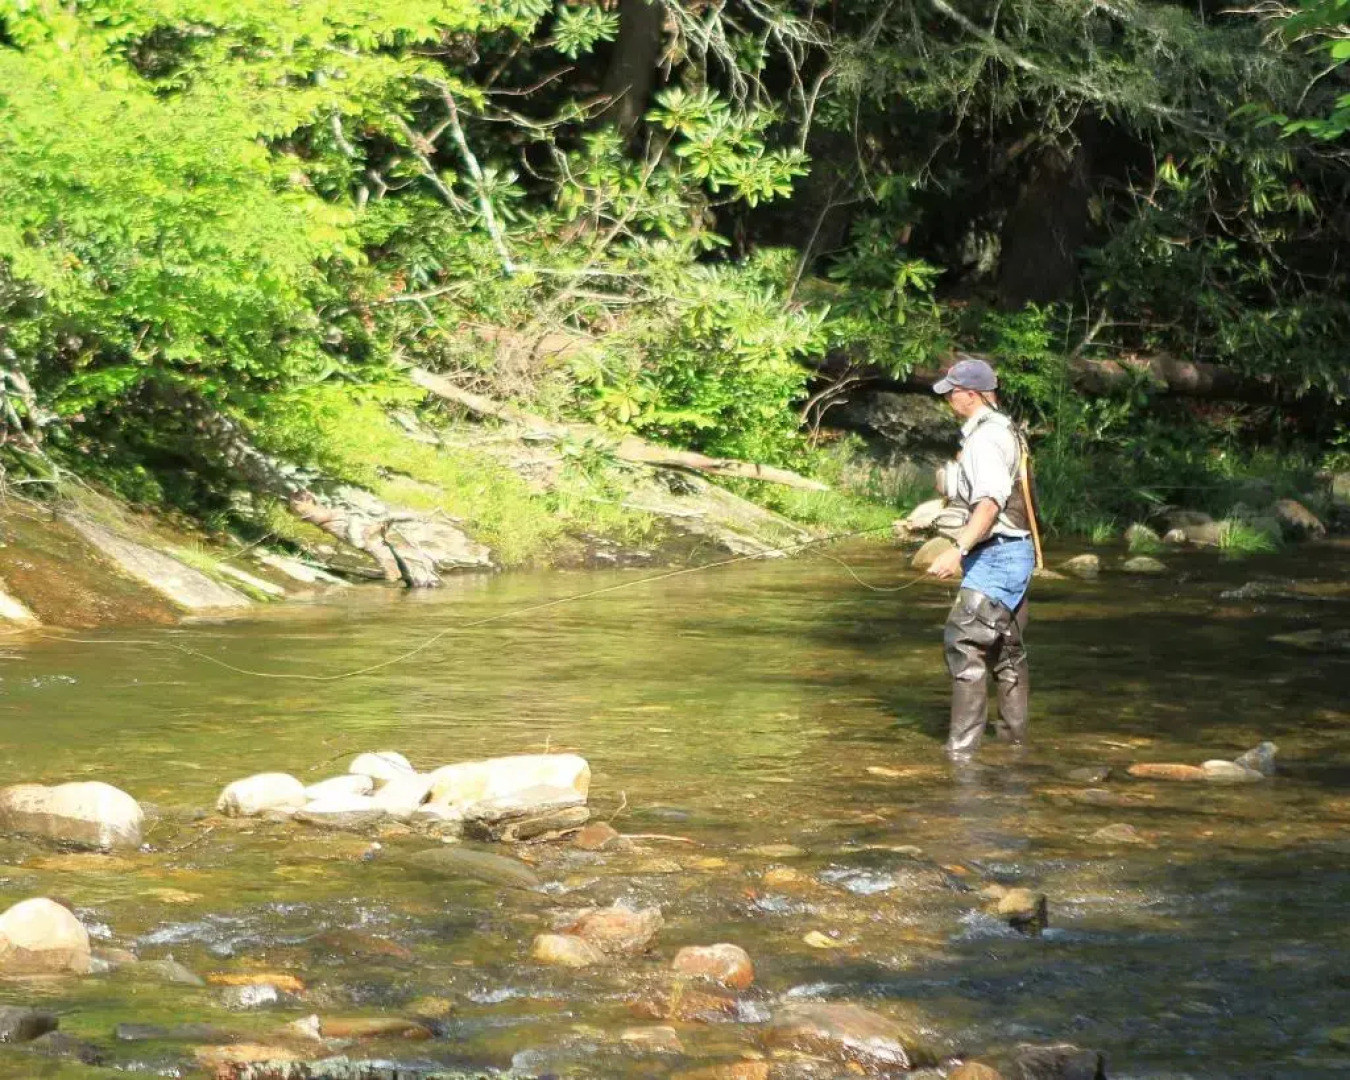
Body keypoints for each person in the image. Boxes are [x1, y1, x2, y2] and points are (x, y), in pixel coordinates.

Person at [925, 354, 1040, 760]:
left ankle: (961, 754)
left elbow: (990, 503)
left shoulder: (985, 438)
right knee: (1007, 655)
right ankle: (1014, 750)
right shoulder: (1005, 427)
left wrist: (957, 550)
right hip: (1016, 555)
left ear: (970, 395)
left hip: (996, 558)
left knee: (964, 645)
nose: (948, 400)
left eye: (952, 393)